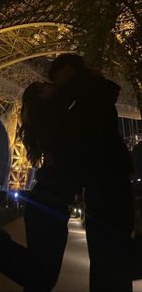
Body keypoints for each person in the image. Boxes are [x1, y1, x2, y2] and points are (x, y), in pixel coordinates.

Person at [0, 81, 75, 292]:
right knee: (43, 278)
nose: (52, 85)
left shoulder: (50, 120)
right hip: (50, 200)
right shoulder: (52, 119)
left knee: (38, 277)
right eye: (46, 86)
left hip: (50, 200)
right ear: (41, 98)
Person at [48, 53, 135, 292]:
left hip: (103, 184)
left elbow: (74, 135)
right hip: (108, 182)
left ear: (67, 70)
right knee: (110, 258)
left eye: (57, 78)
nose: (56, 84)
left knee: (107, 257)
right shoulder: (93, 93)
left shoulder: (85, 95)